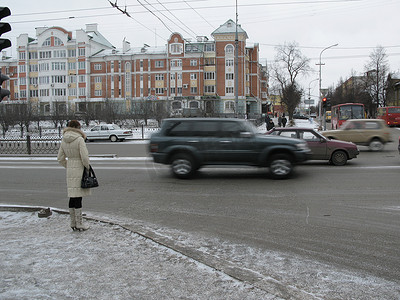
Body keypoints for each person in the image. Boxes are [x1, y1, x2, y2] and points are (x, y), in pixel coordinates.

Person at [57, 120, 91, 231]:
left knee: (72, 196)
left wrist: (69, 165)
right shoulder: (80, 139)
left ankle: (73, 223)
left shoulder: (64, 139)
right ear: (77, 127)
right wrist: (87, 167)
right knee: (78, 197)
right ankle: (80, 223)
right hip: (79, 168)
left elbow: (60, 158)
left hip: (70, 169)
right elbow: (84, 157)